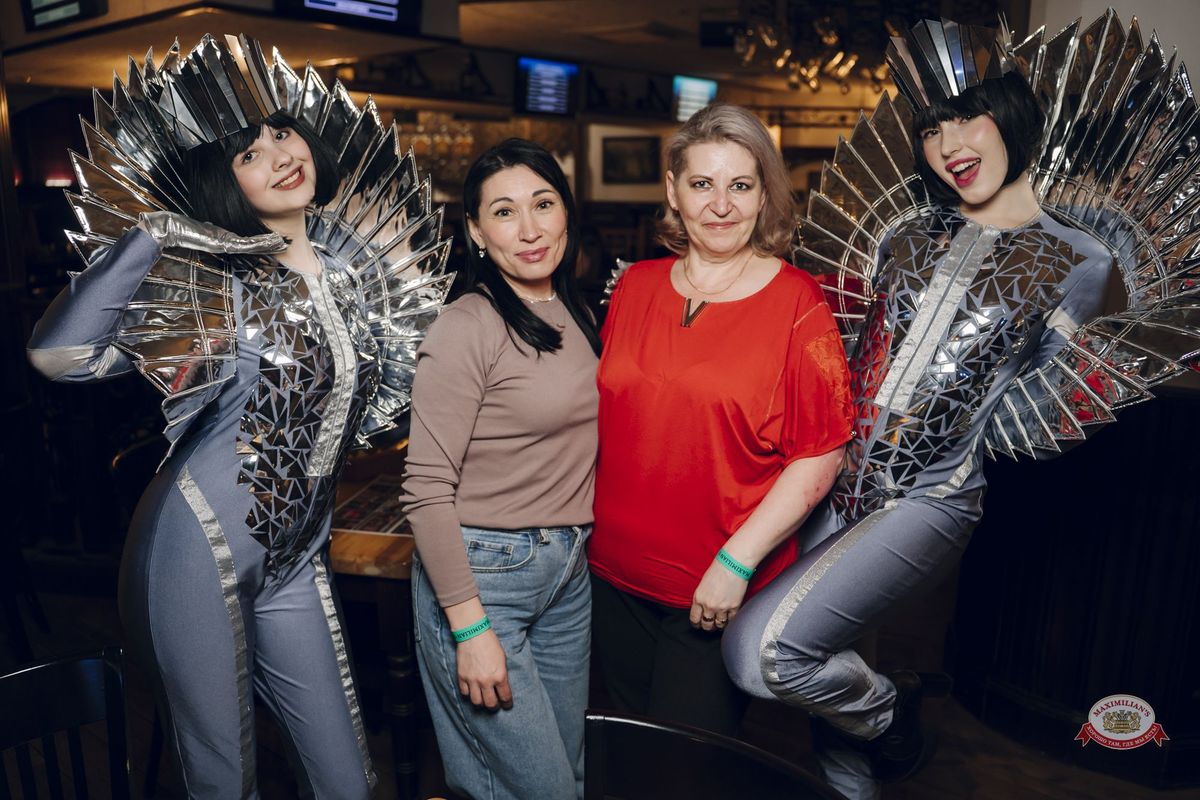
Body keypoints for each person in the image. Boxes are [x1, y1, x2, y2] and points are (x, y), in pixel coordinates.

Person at [26, 34, 450, 798]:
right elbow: (59, 356)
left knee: (348, 782)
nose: (280, 155)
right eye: (249, 153)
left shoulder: (349, 270)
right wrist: (158, 232)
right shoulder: (214, 285)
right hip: (193, 548)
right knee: (225, 784)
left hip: (297, 555)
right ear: (219, 181)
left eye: (282, 132)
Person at [721, 18, 1135, 800]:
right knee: (829, 660)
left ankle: (893, 710)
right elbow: (850, 347)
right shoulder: (905, 232)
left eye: (966, 118)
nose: (948, 145)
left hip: (930, 497)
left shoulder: (1082, 261)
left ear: (1010, 117)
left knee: (764, 653)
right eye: (931, 130)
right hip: (832, 479)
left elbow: (1056, 387)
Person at [589, 102, 855, 738]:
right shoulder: (634, 287)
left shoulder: (797, 302)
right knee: (622, 757)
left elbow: (822, 452)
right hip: (609, 576)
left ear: (764, 196)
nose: (720, 205)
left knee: (682, 769)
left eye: (740, 185)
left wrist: (736, 564)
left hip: (715, 590)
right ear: (673, 192)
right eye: (702, 184)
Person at [401, 138, 601, 800]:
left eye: (543, 204)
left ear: (566, 211)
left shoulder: (576, 312)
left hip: (567, 571)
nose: (530, 229)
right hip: (485, 577)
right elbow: (426, 491)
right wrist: (469, 627)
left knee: (568, 774)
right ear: (478, 232)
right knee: (541, 789)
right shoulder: (467, 326)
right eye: (505, 212)